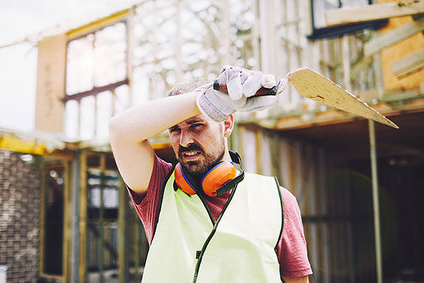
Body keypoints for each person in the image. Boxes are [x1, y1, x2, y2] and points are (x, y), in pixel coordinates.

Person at [109, 66, 312, 282]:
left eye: (196, 125)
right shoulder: (158, 188)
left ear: (226, 125)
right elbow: (119, 130)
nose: (184, 141)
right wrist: (207, 97)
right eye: (175, 130)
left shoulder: (279, 201)